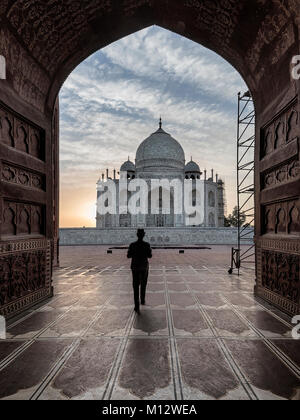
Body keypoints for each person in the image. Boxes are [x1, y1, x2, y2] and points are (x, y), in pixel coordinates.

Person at [127, 229, 152, 314]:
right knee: (143, 284)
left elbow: (128, 255)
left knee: (135, 285)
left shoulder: (132, 245)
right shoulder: (146, 245)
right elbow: (150, 256)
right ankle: (142, 300)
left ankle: (136, 305)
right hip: (144, 267)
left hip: (135, 267)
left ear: (137, 234)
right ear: (144, 235)